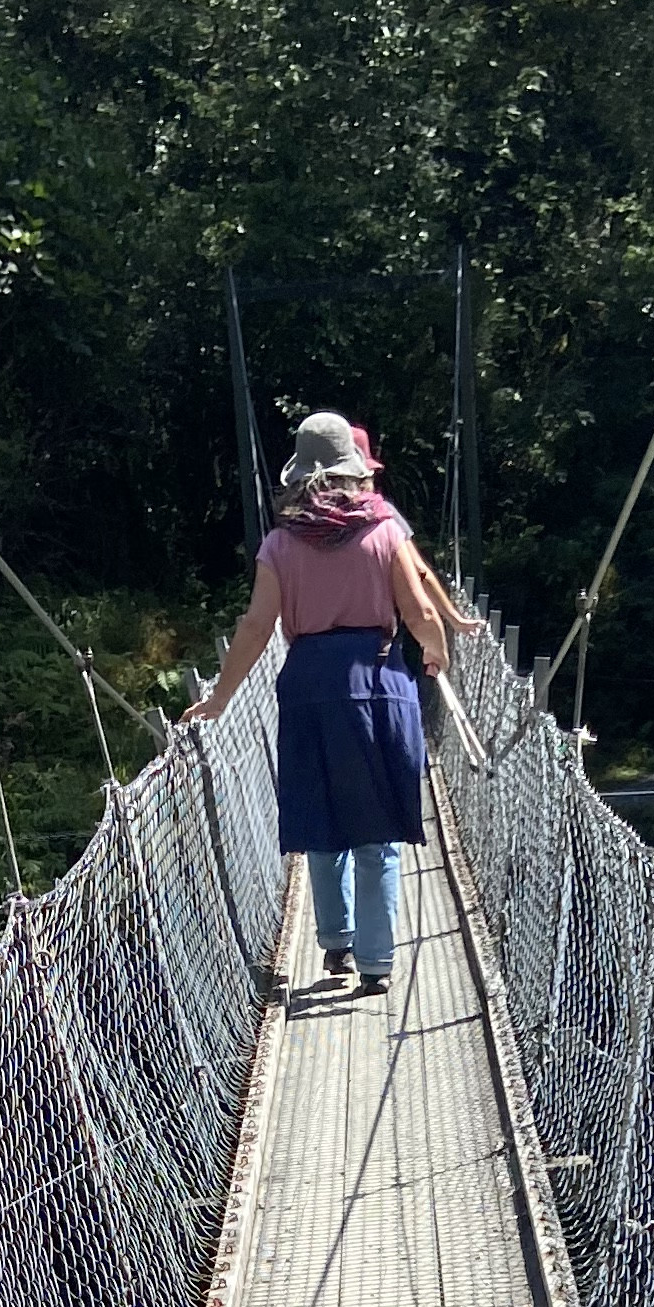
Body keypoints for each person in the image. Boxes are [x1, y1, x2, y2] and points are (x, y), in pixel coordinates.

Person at [182, 410, 462, 995]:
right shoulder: (383, 532)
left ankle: (336, 942)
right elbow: (420, 612)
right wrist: (435, 652)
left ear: (298, 476)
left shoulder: (279, 545)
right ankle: (377, 964)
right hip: (377, 680)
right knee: (377, 828)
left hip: (307, 683)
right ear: (354, 471)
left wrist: (220, 698)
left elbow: (256, 626)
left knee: (322, 819)